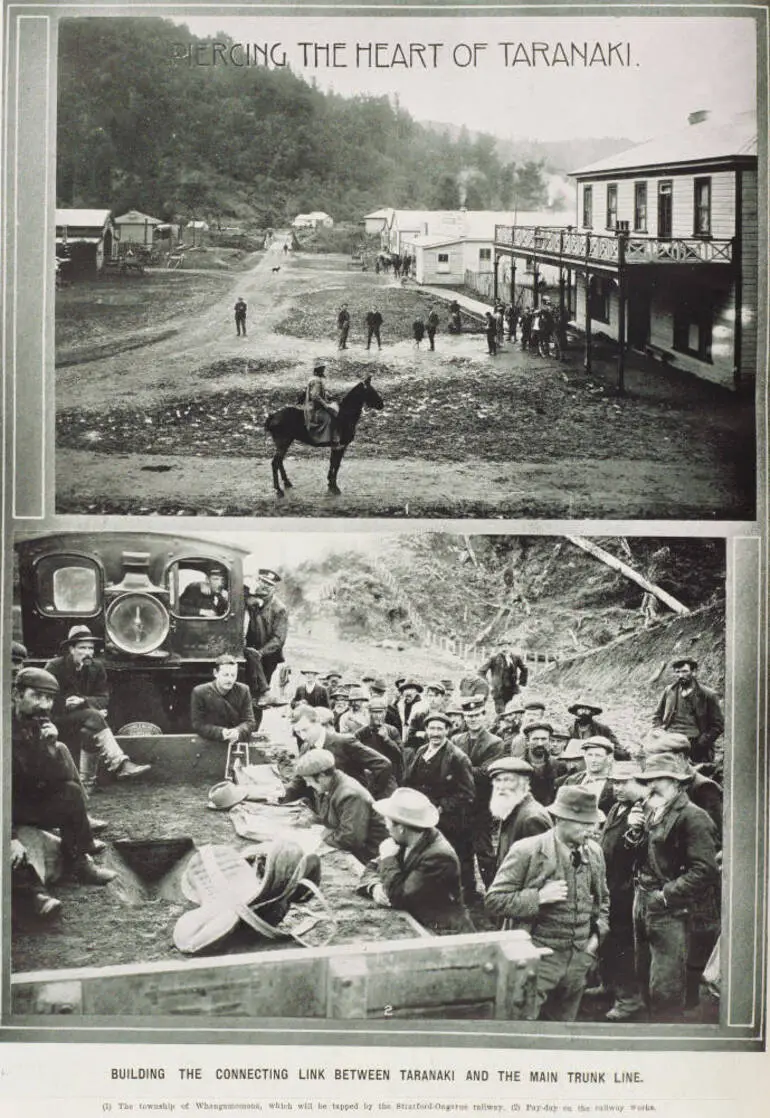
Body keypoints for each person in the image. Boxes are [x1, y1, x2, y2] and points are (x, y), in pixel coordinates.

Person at [485, 786, 610, 1021]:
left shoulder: (594, 852)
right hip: (537, 959)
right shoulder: (527, 851)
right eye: (583, 823)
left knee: (562, 1029)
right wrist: (538, 897)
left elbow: (603, 900)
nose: (592, 830)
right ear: (560, 819)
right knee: (522, 1026)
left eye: (592, 823)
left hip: (578, 960)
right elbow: (494, 900)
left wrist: (594, 942)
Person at [628, 753, 720, 1022]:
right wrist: (634, 833)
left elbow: (705, 870)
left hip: (669, 910)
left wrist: (665, 896)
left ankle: (666, 1039)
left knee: (665, 986)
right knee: (643, 973)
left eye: (659, 779)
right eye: (648, 780)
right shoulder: (652, 810)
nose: (651, 785)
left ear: (678, 783)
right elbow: (645, 854)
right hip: (642, 900)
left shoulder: (694, 817)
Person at [12, 668, 116, 893]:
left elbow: (50, 781)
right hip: (8, 810)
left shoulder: (37, 724)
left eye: (49, 699)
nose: (44, 705)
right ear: (17, 695)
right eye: (37, 696)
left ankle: (80, 863)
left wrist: (50, 748)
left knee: (69, 791)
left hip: (26, 804)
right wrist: (9, 837)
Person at [45, 626, 150, 793]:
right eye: (82, 648)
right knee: (94, 718)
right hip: (57, 717)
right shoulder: (54, 667)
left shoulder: (97, 667)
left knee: (90, 729)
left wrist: (83, 702)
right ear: (71, 649)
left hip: (87, 718)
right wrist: (65, 703)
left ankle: (87, 785)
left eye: (90, 648)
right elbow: (45, 698)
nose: (88, 653)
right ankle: (120, 763)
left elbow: (104, 698)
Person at [361, 787, 474, 935]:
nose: (385, 825)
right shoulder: (405, 840)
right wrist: (374, 887)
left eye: (387, 821)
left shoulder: (438, 857)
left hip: (442, 933)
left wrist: (388, 859)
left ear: (401, 828)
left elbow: (398, 897)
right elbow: (371, 868)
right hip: (417, 922)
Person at [596, 760, 648, 1021]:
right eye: (614, 781)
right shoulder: (618, 807)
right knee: (609, 940)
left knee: (623, 946)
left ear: (641, 782)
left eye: (623, 782)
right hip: (611, 887)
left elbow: (638, 853)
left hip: (627, 891)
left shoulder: (643, 811)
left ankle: (629, 999)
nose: (617, 787)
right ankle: (609, 985)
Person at [402, 712, 475, 876]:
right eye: (432, 728)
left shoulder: (457, 757)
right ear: (426, 730)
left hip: (449, 820)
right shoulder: (421, 751)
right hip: (422, 817)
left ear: (447, 731)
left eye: (440, 729)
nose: (435, 733)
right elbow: (409, 780)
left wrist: (442, 807)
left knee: (453, 859)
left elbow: (467, 793)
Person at [451, 697, 506, 899]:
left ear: (484, 715)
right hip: (461, 806)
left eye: (476, 715)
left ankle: (495, 894)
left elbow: (487, 772)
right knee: (462, 850)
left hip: (481, 806)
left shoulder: (495, 743)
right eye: (468, 716)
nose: (472, 719)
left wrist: (458, 770)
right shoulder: (457, 740)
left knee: (485, 854)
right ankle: (469, 891)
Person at [292, 749, 388, 864]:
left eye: (308, 780)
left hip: (371, 856)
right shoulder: (331, 786)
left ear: (322, 776)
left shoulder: (350, 794)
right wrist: (311, 820)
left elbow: (350, 838)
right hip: (359, 850)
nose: (308, 784)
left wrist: (319, 840)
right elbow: (333, 816)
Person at [289, 705, 395, 799]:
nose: (302, 736)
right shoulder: (306, 747)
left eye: (305, 730)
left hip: (350, 807)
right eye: (298, 732)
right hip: (327, 809)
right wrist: (283, 795)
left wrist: (369, 796)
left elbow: (383, 764)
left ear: (317, 722)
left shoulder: (344, 742)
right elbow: (299, 779)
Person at [652, 658, 724, 765]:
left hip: (694, 744)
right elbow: (657, 716)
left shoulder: (708, 695)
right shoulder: (669, 691)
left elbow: (717, 726)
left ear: (694, 672)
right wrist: (660, 731)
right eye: (677, 672)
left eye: (684, 671)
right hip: (669, 740)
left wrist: (702, 743)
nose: (680, 676)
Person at [488, 756, 553, 869]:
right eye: (498, 780)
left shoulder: (532, 818)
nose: (501, 787)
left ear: (524, 783)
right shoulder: (511, 809)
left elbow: (541, 869)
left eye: (508, 780)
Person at [190, 654, 256, 748]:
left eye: (233, 675)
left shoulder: (243, 690)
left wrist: (237, 731)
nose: (230, 680)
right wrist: (221, 733)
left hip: (236, 743)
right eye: (225, 675)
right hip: (209, 744)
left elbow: (250, 722)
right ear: (215, 673)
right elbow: (198, 724)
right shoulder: (200, 692)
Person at [243, 569, 288, 707]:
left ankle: (254, 725)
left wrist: (260, 653)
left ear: (273, 588)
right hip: (249, 652)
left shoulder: (279, 608)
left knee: (261, 698)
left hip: (268, 657)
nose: (264, 587)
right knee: (247, 692)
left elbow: (279, 639)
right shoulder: (251, 598)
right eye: (261, 582)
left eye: (268, 584)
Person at [557, 736, 617, 817]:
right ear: (585, 756)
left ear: (609, 758)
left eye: (598, 756)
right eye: (590, 755)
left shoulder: (614, 786)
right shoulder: (572, 780)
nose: (593, 760)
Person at [355, 697, 404, 783]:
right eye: (374, 712)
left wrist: (387, 739)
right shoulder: (361, 733)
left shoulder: (392, 731)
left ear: (385, 713)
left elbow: (399, 755)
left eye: (380, 712)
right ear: (369, 713)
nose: (378, 716)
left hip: (389, 776)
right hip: (369, 775)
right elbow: (356, 757)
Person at [478, 643, 529, 715]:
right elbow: (481, 672)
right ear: (499, 647)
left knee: (513, 711)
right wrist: (487, 685)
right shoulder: (494, 658)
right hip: (498, 691)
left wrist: (522, 684)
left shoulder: (516, 657)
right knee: (501, 713)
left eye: (506, 646)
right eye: (502, 646)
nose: (504, 648)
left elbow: (525, 669)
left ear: (510, 647)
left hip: (512, 690)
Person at [303, 357, 340, 447]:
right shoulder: (316, 381)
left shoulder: (313, 378)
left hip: (311, 405)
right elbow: (315, 396)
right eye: (323, 369)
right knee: (331, 416)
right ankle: (329, 439)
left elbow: (319, 393)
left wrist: (329, 397)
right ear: (319, 370)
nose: (324, 370)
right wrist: (326, 405)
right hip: (315, 408)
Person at [387, 678, 424, 744]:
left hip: (417, 741)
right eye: (406, 689)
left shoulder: (423, 706)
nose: (408, 692)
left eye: (412, 689)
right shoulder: (400, 705)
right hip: (401, 739)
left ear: (417, 691)